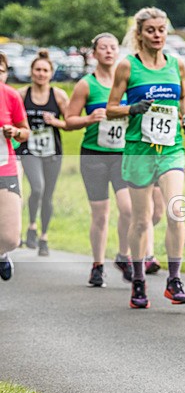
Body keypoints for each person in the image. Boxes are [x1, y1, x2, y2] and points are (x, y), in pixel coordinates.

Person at [107, 7, 185, 309]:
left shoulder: (177, 64)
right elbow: (111, 108)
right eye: (151, 30)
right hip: (139, 150)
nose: (157, 35)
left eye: (161, 29)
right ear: (140, 34)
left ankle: (174, 279)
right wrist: (132, 108)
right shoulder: (127, 67)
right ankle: (138, 280)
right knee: (142, 220)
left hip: (171, 148)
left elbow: (184, 95)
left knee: (175, 211)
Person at [66, 33, 134, 287]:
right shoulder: (86, 84)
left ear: (118, 52)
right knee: (101, 214)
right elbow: (69, 120)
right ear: (94, 53)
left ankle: (123, 255)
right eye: (103, 48)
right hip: (93, 154)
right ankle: (97, 265)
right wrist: (88, 118)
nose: (108, 52)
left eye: (113, 48)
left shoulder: (126, 80)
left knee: (128, 209)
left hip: (121, 154)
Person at [17, 50, 69, 257]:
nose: (41, 74)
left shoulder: (59, 95)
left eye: (45, 70)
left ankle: (43, 236)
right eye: (37, 70)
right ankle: (31, 225)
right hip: (29, 150)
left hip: (52, 150)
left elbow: (70, 122)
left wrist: (55, 122)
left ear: (51, 73)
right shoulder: (22, 94)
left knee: (48, 195)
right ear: (31, 72)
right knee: (37, 188)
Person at [0, 52, 30, 281]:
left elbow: (24, 131)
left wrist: (15, 132)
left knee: (11, 238)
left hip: (4, 168)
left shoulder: (10, 96)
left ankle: (2, 254)